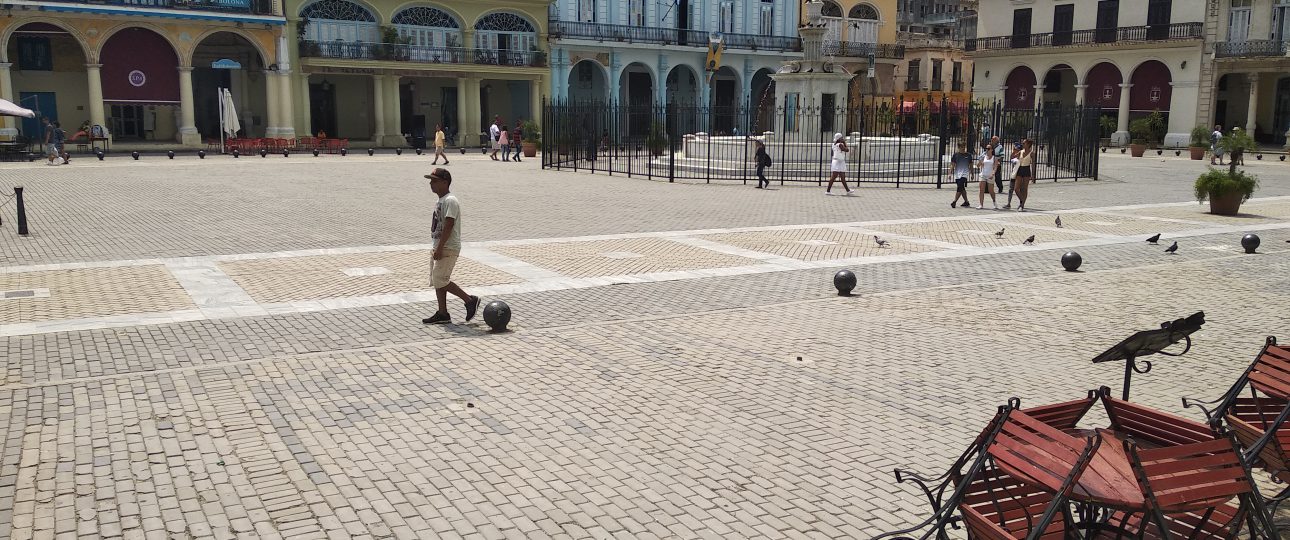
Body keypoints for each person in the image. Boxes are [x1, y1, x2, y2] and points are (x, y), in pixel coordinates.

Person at [421, 168, 481, 325]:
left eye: (434, 180)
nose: (431, 183)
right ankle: (442, 313)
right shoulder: (441, 200)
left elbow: (449, 224)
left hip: (448, 247)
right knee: (437, 279)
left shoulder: (450, 200)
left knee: (440, 278)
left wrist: (440, 247)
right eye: (430, 180)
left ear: (445, 182)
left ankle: (469, 300)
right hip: (438, 245)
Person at [1013, 138, 1035, 211]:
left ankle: (1022, 205)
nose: (1023, 144)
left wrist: (1033, 175)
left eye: (1024, 143)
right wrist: (1014, 152)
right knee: (1016, 188)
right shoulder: (1020, 152)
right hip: (1020, 169)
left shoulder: (1031, 153)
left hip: (1026, 170)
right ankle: (1022, 201)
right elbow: (1013, 157)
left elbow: (1033, 165)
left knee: (1024, 189)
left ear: (1028, 144)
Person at [948, 142, 971, 208]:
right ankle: (966, 202)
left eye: (964, 146)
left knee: (960, 186)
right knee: (961, 188)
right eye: (961, 147)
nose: (963, 148)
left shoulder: (968, 155)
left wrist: (972, 173)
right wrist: (950, 173)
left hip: (965, 173)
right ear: (959, 148)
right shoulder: (955, 155)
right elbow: (952, 165)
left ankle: (954, 201)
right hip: (957, 174)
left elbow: (971, 165)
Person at [977, 141, 999, 210]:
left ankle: (994, 202)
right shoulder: (983, 156)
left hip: (990, 175)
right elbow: (978, 166)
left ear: (992, 150)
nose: (987, 150)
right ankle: (981, 204)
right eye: (986, 148)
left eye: (988, 148)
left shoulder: (994, 158)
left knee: (991, 190)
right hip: (983, 174)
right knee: (981, 190)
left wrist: (993, 173)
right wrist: (980, 161)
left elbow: (995, 167)